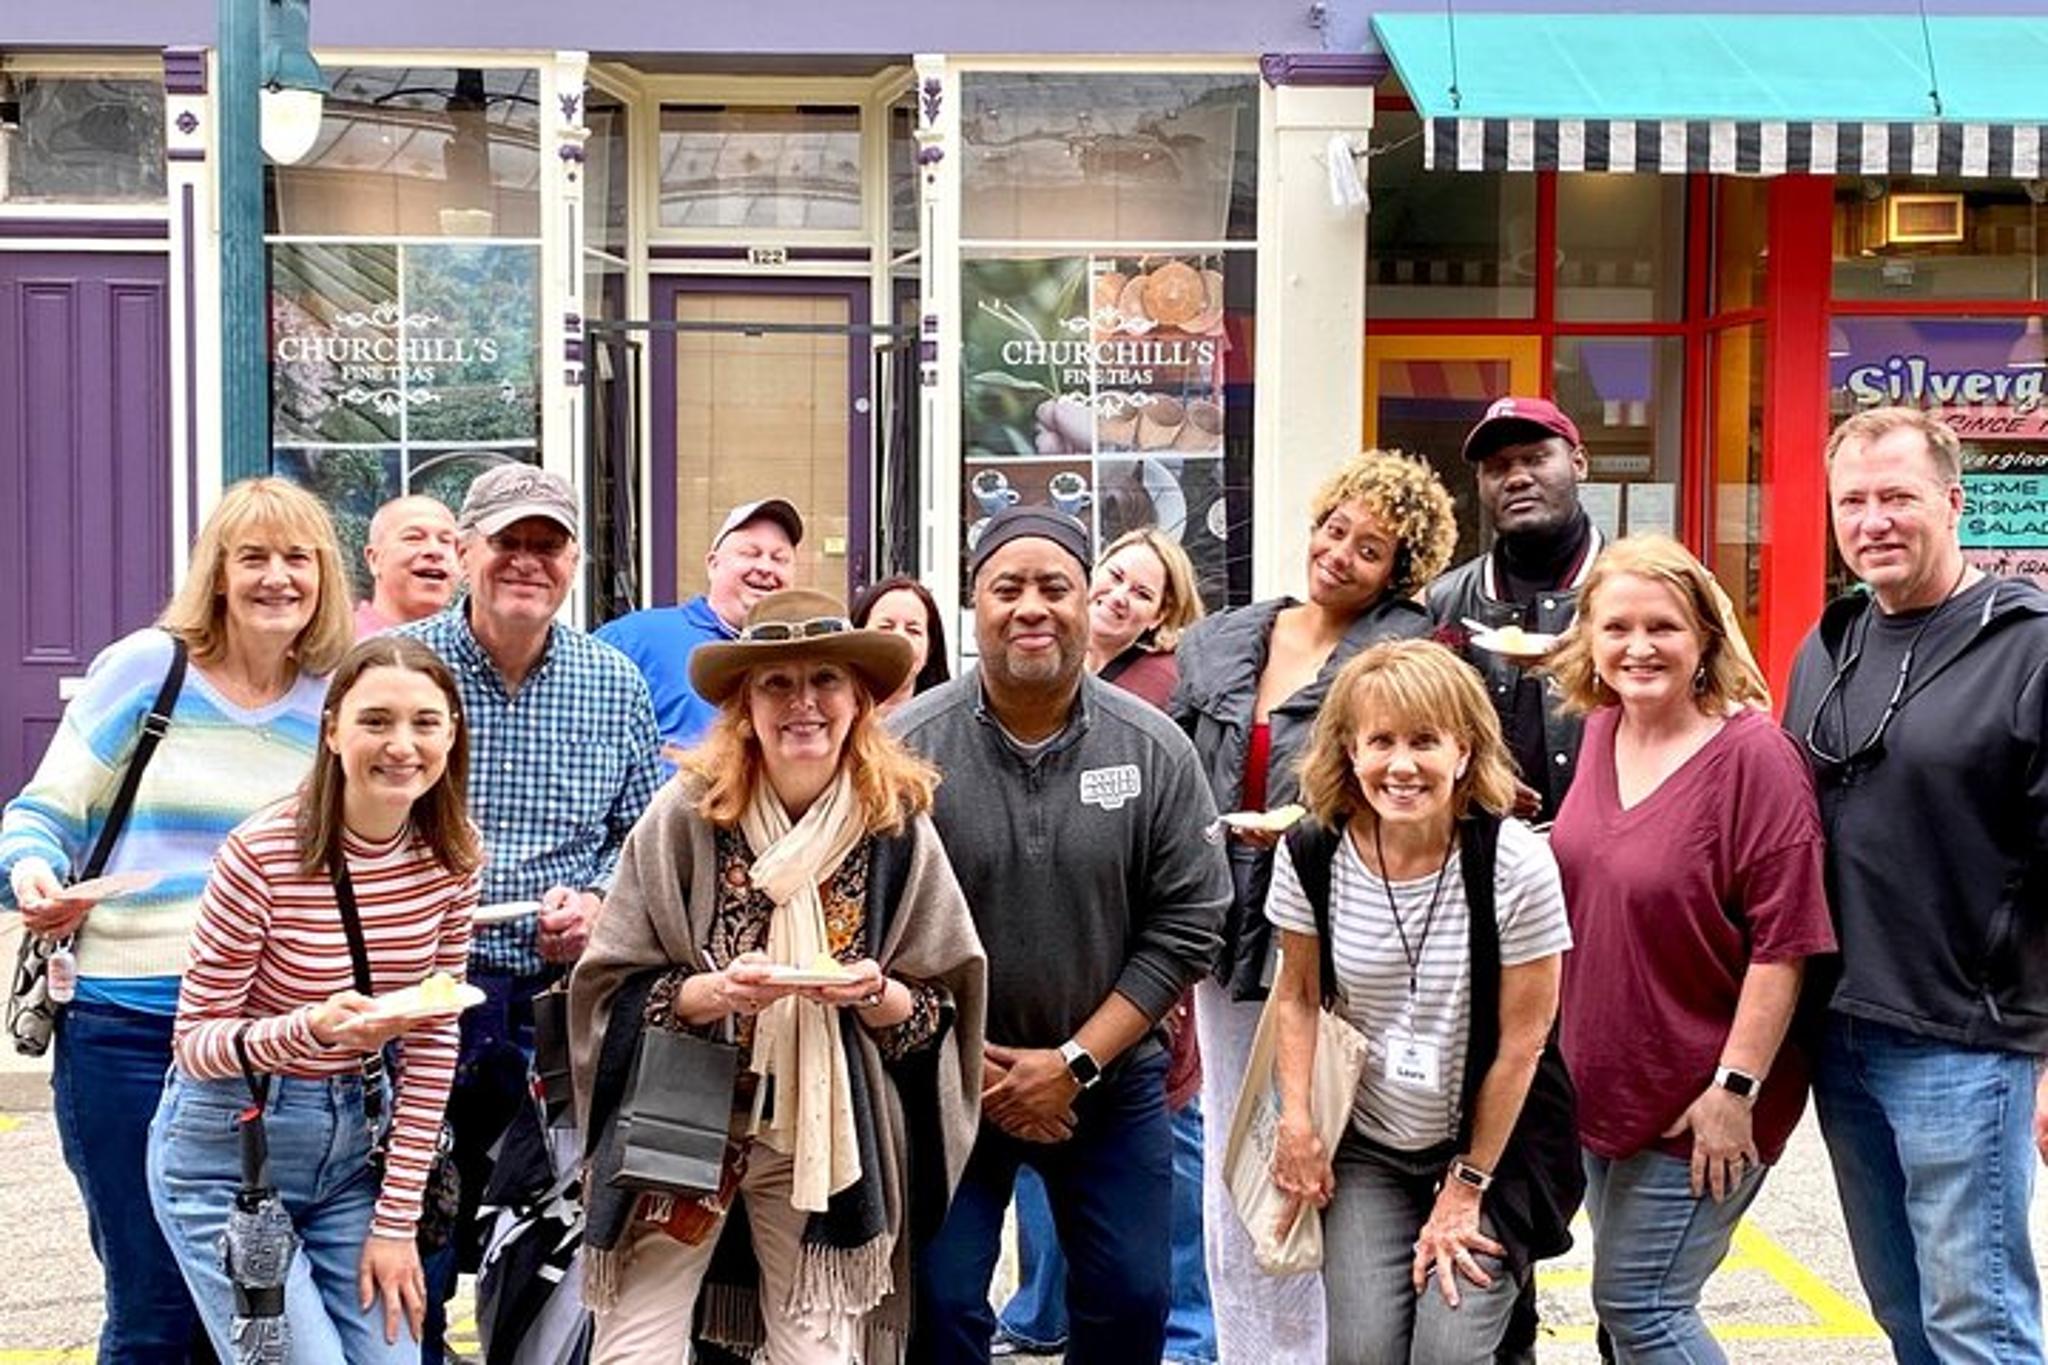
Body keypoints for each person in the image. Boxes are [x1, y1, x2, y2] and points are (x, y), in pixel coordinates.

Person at [569, 587, 987, 1365]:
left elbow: (941, 1005)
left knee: (818, 1353)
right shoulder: (686, 815)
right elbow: (608, 985)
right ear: (743, 704)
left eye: (824, 679)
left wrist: (871, 992)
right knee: (634, 1348)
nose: (804, 703)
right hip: (684, 1116)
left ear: (860, 698)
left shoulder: (894, 828)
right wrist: (710, 993)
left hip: (819, 1131)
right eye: (776, 683)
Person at [1, 476, 353, 1363]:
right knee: (154, 1305)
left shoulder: (337, 695)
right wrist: (34, 874)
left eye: (298, 558)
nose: (279, 577)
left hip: (266, 1036)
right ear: (217, 573)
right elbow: (44, 810)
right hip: (129, 1024)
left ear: (324, 576)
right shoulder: (147, 668)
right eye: (254, 557)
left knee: (256, 1309)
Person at [894, 504, 1230, 1365]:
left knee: (1133, 1300)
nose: (1032, 606)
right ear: (974, 605)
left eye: (1056, 586)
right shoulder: (904, 752)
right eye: (1008, 587)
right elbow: (868, 926)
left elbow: (1190, 921)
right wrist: (975, 1061)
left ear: (1089, 603)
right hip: (942, 1079)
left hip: (1110, 1080)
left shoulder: (1154, 748)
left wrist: (1074, 1062)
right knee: (935, 1305)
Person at [1171, 449, 1455, 1364]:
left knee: (1315, 1153)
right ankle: (1247, 1351)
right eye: (1334, 530)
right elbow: (1177, 773)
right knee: (1231, 1164)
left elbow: (1418, 778)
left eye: (1368, 549)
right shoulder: (1223, 638)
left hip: (1338, 942)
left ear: (1398, 573)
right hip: (1224, 936)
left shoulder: (1404, 651)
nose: (1338, 554)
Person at [1781, 406, 2048, 1365]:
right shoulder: (1832, 642)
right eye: (1853, 500)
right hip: (1843, 1037)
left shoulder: (2031, 646)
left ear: (1953, 501)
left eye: (1898, 496)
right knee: (1905, 1316)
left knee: (1979, 1328)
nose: (1874, 520)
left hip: (1965, 1042)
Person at [147, 635, 481, 1363]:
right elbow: (196, 1040)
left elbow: (431, 1042)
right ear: (332, 730)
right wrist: (310, 1030)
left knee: (393, 1354)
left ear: (452, 732)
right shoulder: (262, 851)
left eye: (425, 722)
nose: (402, 744)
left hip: (356, 1145)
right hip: (230, 1148)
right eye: (376, 720)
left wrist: (395, 1221)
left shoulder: (453, 857)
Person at [395, 463, 664, 1359]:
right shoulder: (406, 671)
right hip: (425, 990)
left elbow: (641, 839)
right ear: (464, 551)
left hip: (558, 997)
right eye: (506, 542)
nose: (526, 561)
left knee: (545, 1232)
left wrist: (596, 904)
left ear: (573, 561)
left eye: (545, 544)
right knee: (414, 1228)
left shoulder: (612, 679)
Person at [1546, 535, 1834, 1362]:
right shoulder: (1601, 732)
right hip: (1608, 1082)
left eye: (1664, 627)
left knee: (1644, 1303)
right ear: (1589, 639)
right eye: (1617, 626)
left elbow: (1786, 945)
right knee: (1625, 1306)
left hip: (1704, 1095)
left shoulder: (1754, 758)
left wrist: (1733, 1088)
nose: (1639, 647)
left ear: (1705, 636)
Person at [1267, 639, 1573, 1364]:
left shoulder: (1515, 863)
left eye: (1425, 741)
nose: (1401, 765)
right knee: (1365, 1350)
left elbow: (1523, 1042)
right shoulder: (1313, 852)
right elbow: (1298, 996)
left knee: (1447, 1351)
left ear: (1463, 751)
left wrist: (1466, 1186)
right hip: (1372, 1140)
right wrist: (1299, 1120)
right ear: (1350, 749)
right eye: (1381, 741)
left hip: (1494, 1146)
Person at [998, 525, 1213, 1362]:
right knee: (1041, 1177)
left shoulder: (1158, 703)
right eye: (1114, 577)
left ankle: (1189, 1340)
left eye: (1138, 592)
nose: (1119, 596)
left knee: (1155, 1215)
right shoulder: (991, 706)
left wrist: (1085, 1056)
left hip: (1130, 1036)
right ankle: (1042, 1308)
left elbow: (1184, 909)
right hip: (1005, 1050)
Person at [1426, 396, 1605, 822]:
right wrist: (1472, 781)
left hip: (1606, 856)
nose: (1517, 478)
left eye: (1536, 458)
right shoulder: (1446, 600)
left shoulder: (1638, 590)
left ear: (1578, 463)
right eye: (1498, 467)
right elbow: (1419, 727)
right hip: (1481, 857)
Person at [596, 498, 804, 750]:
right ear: (713, 565)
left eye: (779, 558)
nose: (764, 567)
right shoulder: (634, 640)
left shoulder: (806, 659)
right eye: (751, 554)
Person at [356, 495, 461, 637]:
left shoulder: (473, 648)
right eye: (414, 538)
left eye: (445, 541)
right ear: (374, 559)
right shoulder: (338, 644)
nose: (435, 551)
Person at [851, 575, 951, 712]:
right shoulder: (830, 722)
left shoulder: (949, 723)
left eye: (913, 631)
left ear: (930, 649)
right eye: (886, 627)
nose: (900, 638)